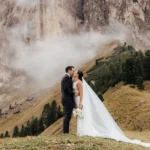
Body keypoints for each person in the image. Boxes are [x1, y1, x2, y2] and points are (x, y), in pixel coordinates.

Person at [73, 70, 150, 148]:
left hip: (80, 100)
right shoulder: (76, 82)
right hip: (77, 99)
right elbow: (78, 92)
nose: (74, 72)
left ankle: (85, 131)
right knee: (81, 115)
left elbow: (82, 93)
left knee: (83, 115)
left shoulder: (79, 82)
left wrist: (81, 103)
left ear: (78, 74)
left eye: (75, 72)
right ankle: (81, 131)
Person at [61, 66, 79, 134]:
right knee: (67, 116)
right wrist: (73, 93)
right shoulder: (66, 78)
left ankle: (66, 132)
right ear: (69, 70)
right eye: (72, 71)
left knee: (68, 115)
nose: (73, 72)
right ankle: (65, 132)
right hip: (67, 99)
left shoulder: (67, 78)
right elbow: (65, 88)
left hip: (67, 99)